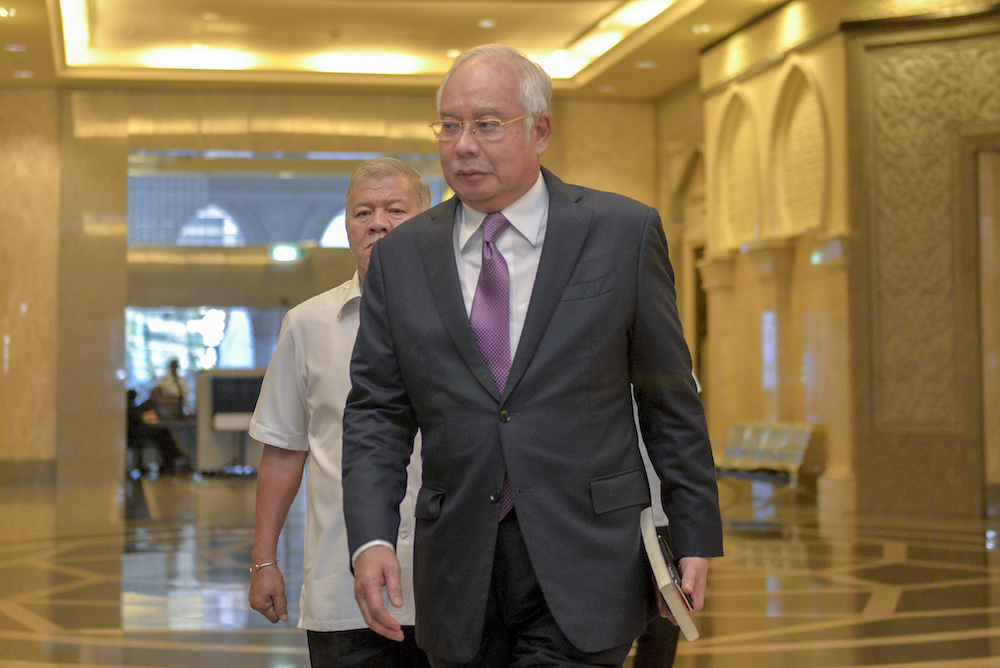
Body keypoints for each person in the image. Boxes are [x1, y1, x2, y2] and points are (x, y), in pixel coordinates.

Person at [342, 44, 724, 667]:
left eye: (487, 125)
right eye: (450, 125)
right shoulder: (401, 257)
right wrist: (370, 537)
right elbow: (377, 413)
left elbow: (668, 398)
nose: (463, 145)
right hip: (457, 564)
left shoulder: (621, 233)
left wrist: (694, 533)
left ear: (539, 131)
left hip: (587, 554)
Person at [247, 157, 432, 667]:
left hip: (453, 588)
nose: (378, 222)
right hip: (342, 589)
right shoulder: (307, 325)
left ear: (429, 220)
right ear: (347, 226)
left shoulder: (470, 320)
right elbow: (284, 450)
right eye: (362, 212)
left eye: (397, 209)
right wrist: (263, 560)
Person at [126, 388, 190, 474]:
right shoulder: (139, 407)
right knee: (163, 434)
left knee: (162, 434)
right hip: (135, 435)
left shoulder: (131, 407)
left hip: (136, 433)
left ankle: (172, 459)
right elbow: (139, 419)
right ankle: (173, 457)